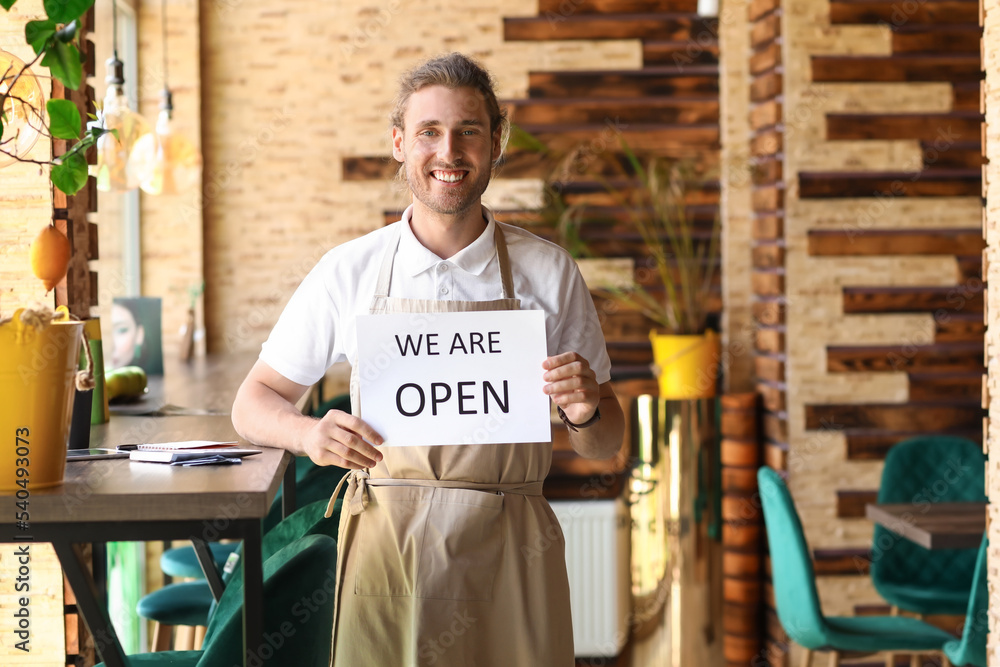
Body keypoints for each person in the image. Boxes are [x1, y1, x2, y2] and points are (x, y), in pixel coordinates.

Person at [232, 52, 625, 666]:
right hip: (389, 550)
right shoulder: (349, 270)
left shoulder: (549, 271)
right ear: (399, 143)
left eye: (469, 131)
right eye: (429, 132)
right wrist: (310, 434)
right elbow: (252, 403)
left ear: (496, 142)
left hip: (511, 552)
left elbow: (605, 444)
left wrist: (584, 410)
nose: (450, 152)